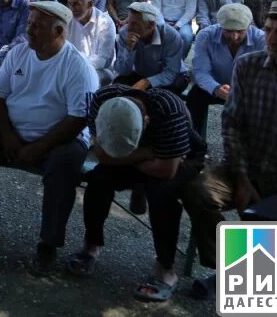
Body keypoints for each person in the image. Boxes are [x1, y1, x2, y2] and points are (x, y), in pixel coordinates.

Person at [183, 1, 277, 301]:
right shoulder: (249, 66)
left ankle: (247, 278)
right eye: (268, 30)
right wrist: (241, 177)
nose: (271, 39)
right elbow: (232, 124)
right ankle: (233, 270)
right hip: (246, 168)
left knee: (275, 217)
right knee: (198, 191)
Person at [0, 1, 98, 274]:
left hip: (61, 139)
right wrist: (8, 136)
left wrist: (39, 147)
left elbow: (78, 118)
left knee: (62, 168)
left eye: (38, 26)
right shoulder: (19, 53)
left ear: (59, 32)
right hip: (17, 133)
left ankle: (49, 244)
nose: (30, 31)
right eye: (30, 24)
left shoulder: (77, 66)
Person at [70, 85, 205, 302]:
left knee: (162, 192)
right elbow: (103, 155)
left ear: (147, 122)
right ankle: (90, 246)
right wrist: (145, 154)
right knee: (98, 179)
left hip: (178, 156)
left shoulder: (169, 109)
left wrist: (125, 157)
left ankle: (166, 268)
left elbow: (166, 169)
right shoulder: (101, 100)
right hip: (145, 153)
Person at [187, 3, 266, 137]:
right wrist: (216, 88)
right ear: (220, 26)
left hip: (247, 90)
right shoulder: (206, 35)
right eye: (228, 31)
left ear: (249, 26)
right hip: (216, 86)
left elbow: (263, 76)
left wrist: (241, 91)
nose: (234, 37)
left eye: (240, 31)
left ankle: (251, 146)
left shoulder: (261, 39)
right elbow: (201, 71)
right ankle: (194, 142)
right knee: (194, 97)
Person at [113, 2, 187, 92]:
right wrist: (129, 49)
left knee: (161, 95)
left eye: (135, 24)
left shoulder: (170, 36)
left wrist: (147, 82)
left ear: (151, 25)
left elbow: (171, 73)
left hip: (170, 76)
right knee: (117, 86)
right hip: (141, 74)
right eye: (129, 22)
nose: (129, 28)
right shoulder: (125, 33)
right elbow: (122, 71)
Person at [67, 0, 117, 84]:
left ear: (90, 4)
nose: (72, 8)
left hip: (99, 70)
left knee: (82, 78)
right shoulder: (68, 20)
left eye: (76, 4)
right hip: (71, 68)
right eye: (70, 4)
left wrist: (77, 66)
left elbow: (103, 60)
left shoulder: (105, 22)